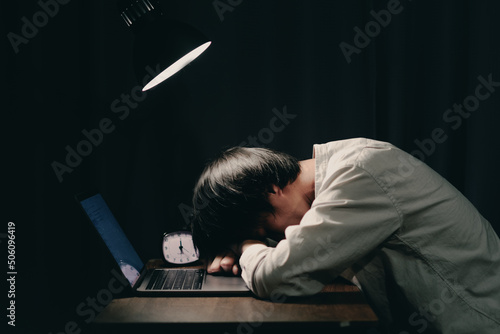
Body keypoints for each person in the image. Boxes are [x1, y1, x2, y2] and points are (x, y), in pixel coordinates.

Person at [190, 137, 500, 333]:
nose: (280, 238)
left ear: (270, 189)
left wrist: (247, 245)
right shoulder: (344, 169)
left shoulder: (358, 173)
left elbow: (277, 276)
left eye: (265, 231)